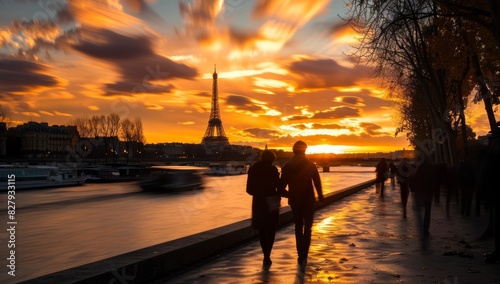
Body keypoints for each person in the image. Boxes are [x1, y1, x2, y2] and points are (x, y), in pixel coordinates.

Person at [278, 140, 323, 269]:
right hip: (308, 200)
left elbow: (281, 187)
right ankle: (305, 253)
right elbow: (317, 183)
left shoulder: (287, 165)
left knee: (298, 226)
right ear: (305, 151)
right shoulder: (311, 165)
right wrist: (320, 197)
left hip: (295, 200)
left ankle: (300, 253)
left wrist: (289, 195)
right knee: (308, 227)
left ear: (293, 150)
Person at [246, 149, 283, 266]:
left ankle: (265, 255)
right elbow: (279, 187)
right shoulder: (273, 170)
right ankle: (268, 255)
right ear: (272, 160)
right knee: (271, 230)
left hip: (258, 203)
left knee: (262, 230)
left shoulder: (253, 169)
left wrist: (259, 193)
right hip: (271, 202)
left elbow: (249, 190)